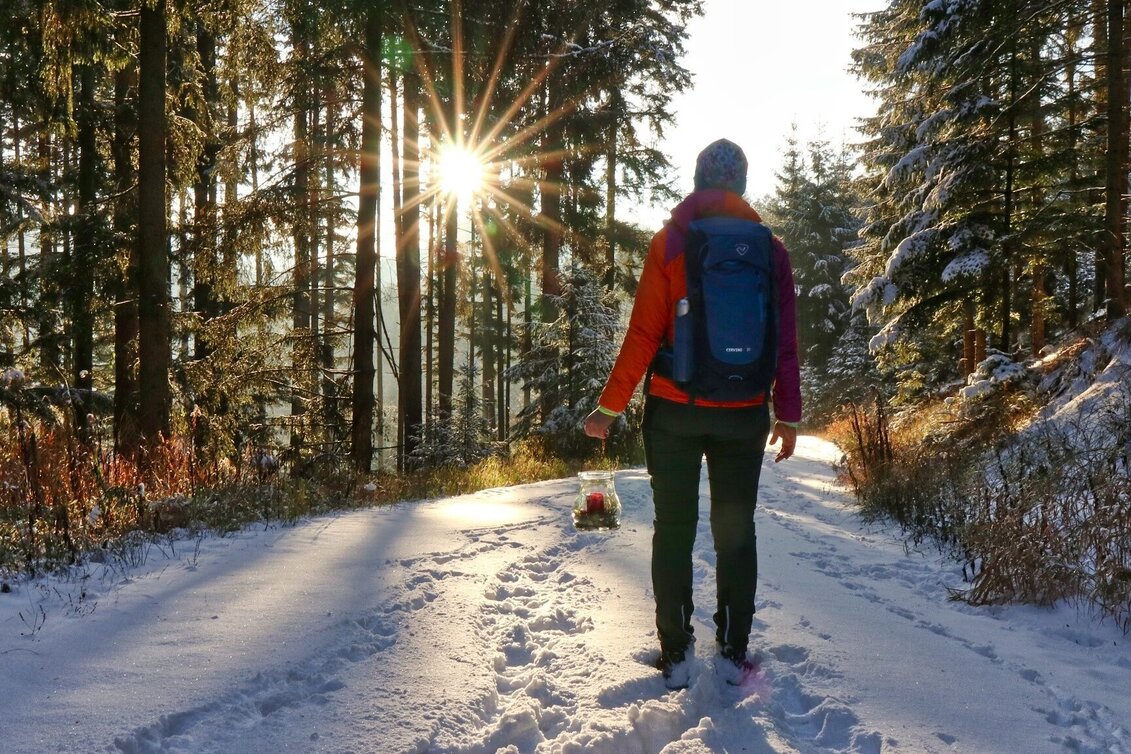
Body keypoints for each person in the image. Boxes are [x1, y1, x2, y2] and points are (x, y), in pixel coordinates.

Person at [583, 138, 801, 690]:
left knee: (674, 531)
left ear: (700, 181)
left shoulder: (672, 241)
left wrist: (610, 407)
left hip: (675, 412)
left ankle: (677, 653)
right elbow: (786, 342)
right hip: (744, 412)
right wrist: (789, 414)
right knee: (736, 534)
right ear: (742, 185)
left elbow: (644, 334)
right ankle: (732, 654)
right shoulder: (771, 251)